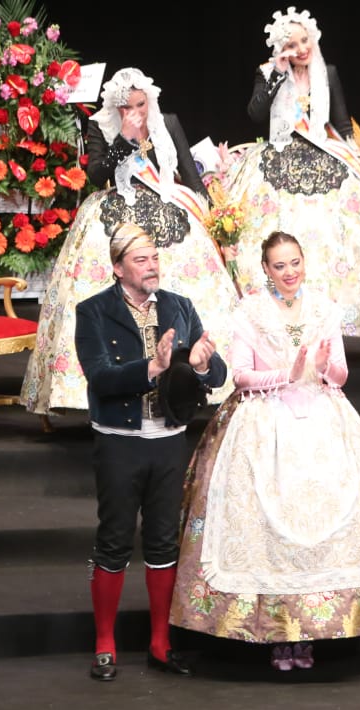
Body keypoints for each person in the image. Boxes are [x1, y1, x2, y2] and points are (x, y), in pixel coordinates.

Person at [170, 231, 360, 670]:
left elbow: (340, 376)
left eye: (295, 263)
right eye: (280, 265)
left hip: (322, 419)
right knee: (265, 524)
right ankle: (277, 634)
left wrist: (323, 368)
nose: (289, 272)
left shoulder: (323, 307)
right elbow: (241, 377)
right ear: (265, 269)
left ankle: (309, 633)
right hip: (263, 421)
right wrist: (285, 375)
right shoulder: (250, 311)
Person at [22, 68, 239, 415]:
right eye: (126, 106)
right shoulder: (101, 125)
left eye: (139, 104)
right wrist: (122, 138)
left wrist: (217, 224)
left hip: (170, 212)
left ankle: (192, 381)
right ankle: (98, 388)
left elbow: (190, 175)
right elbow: (96, 175)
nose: (134, 112)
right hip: (115, 213)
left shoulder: (167, 122)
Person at [75, 222, 228, 680]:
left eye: (155, 258)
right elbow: (100, 377)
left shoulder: (180, 306)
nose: (151, 267)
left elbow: (218, 373)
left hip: (168, 441)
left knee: (163, 542)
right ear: (118, 268)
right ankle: (105, 645)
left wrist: (200, 365)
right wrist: (153, 366)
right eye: (140, 260)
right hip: (118, 443)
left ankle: (160, 644)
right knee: (115, 540)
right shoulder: (93, 312)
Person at [221, 7, 360, 337]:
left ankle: (333, 317)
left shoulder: (327, 72)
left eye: (305, 41)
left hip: (324, 155)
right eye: (292, 45)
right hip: (279, 157)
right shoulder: (267, 71)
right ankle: (281, 317)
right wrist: (277, 73)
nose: (301, 49)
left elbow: (341, 123)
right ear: (281, 48)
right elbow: (256, 113)